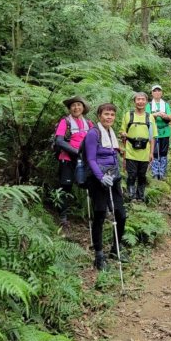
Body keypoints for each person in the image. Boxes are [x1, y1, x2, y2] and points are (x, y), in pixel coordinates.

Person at [83, 103, 127, 270]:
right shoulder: (94, 134)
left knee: (121, 214)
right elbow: (91, 159)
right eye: (106, 114)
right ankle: (99, 255)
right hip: (98, 179)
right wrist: (101, 177)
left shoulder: (110, 132)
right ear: (99, 115)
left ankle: (116, 248)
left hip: (113, 178)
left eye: (112, 115)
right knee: (100, 214)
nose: (109, 117)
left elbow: (113, 154)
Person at [54, 95, 93, 229]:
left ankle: (95, 214)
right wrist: (77, 152)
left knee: (90, 185)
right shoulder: (65, 122)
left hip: (85, 159)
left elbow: (94, 139)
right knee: (65, 187)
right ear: (70, 108)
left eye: (79, 105)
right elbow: (59, 141)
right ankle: (63, 217)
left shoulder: (89, 123)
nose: (76, 107)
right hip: (68, 158)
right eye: (73, 105)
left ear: (83, 108)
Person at [121, 92, 158, 201]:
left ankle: (140, 197)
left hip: (145, 152)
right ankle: (131, 197)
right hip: (130, 151)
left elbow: (153, 137)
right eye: (138, 99)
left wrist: (151, 153)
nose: (140, 101)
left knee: (142, 176)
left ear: (146, 102)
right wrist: (123, 134)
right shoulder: (128, 115)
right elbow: (123, 131)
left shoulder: (150, 117)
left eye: (143, 99)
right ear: (134, 101)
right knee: (131, 175)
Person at [146, 85, 171, 180]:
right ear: (152, 93)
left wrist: (164, 116)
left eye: (159, 91)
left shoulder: (165, 105)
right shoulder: (148, 105)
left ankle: (162, 172)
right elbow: (147, 116)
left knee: (163, 152)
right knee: (155, 151)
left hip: (165, 131)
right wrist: (156, 115)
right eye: (155, 91)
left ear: (161, 93)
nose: (157, 92)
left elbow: (170, 117)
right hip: (153, 131)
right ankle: (154, 172)